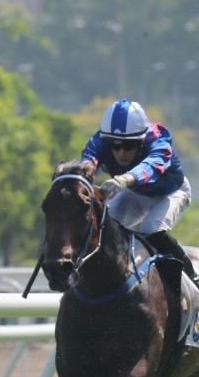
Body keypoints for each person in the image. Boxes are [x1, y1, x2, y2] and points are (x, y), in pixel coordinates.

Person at [82, 98, 197, 283]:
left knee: (151, 229)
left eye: (129, 145)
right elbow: (86, 164)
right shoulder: (100, 141)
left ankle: (192, 277)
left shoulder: (159, 139)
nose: (121, 153)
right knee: (104, 225)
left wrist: (124, 179)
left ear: (142, 141)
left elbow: (151, 166)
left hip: (172, 192)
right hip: (135, 193)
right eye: (115, 145)